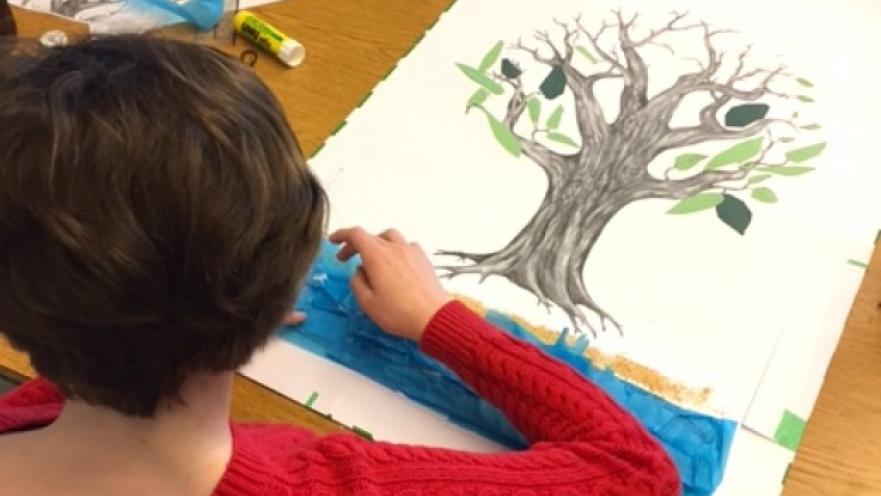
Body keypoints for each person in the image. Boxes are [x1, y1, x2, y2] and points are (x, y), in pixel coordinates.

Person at [0, 36, 680, 495]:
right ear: (284, 272)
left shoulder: (24, 414)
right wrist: (441, 322)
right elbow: (631, 470)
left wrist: (195, 317)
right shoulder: (321, 483)